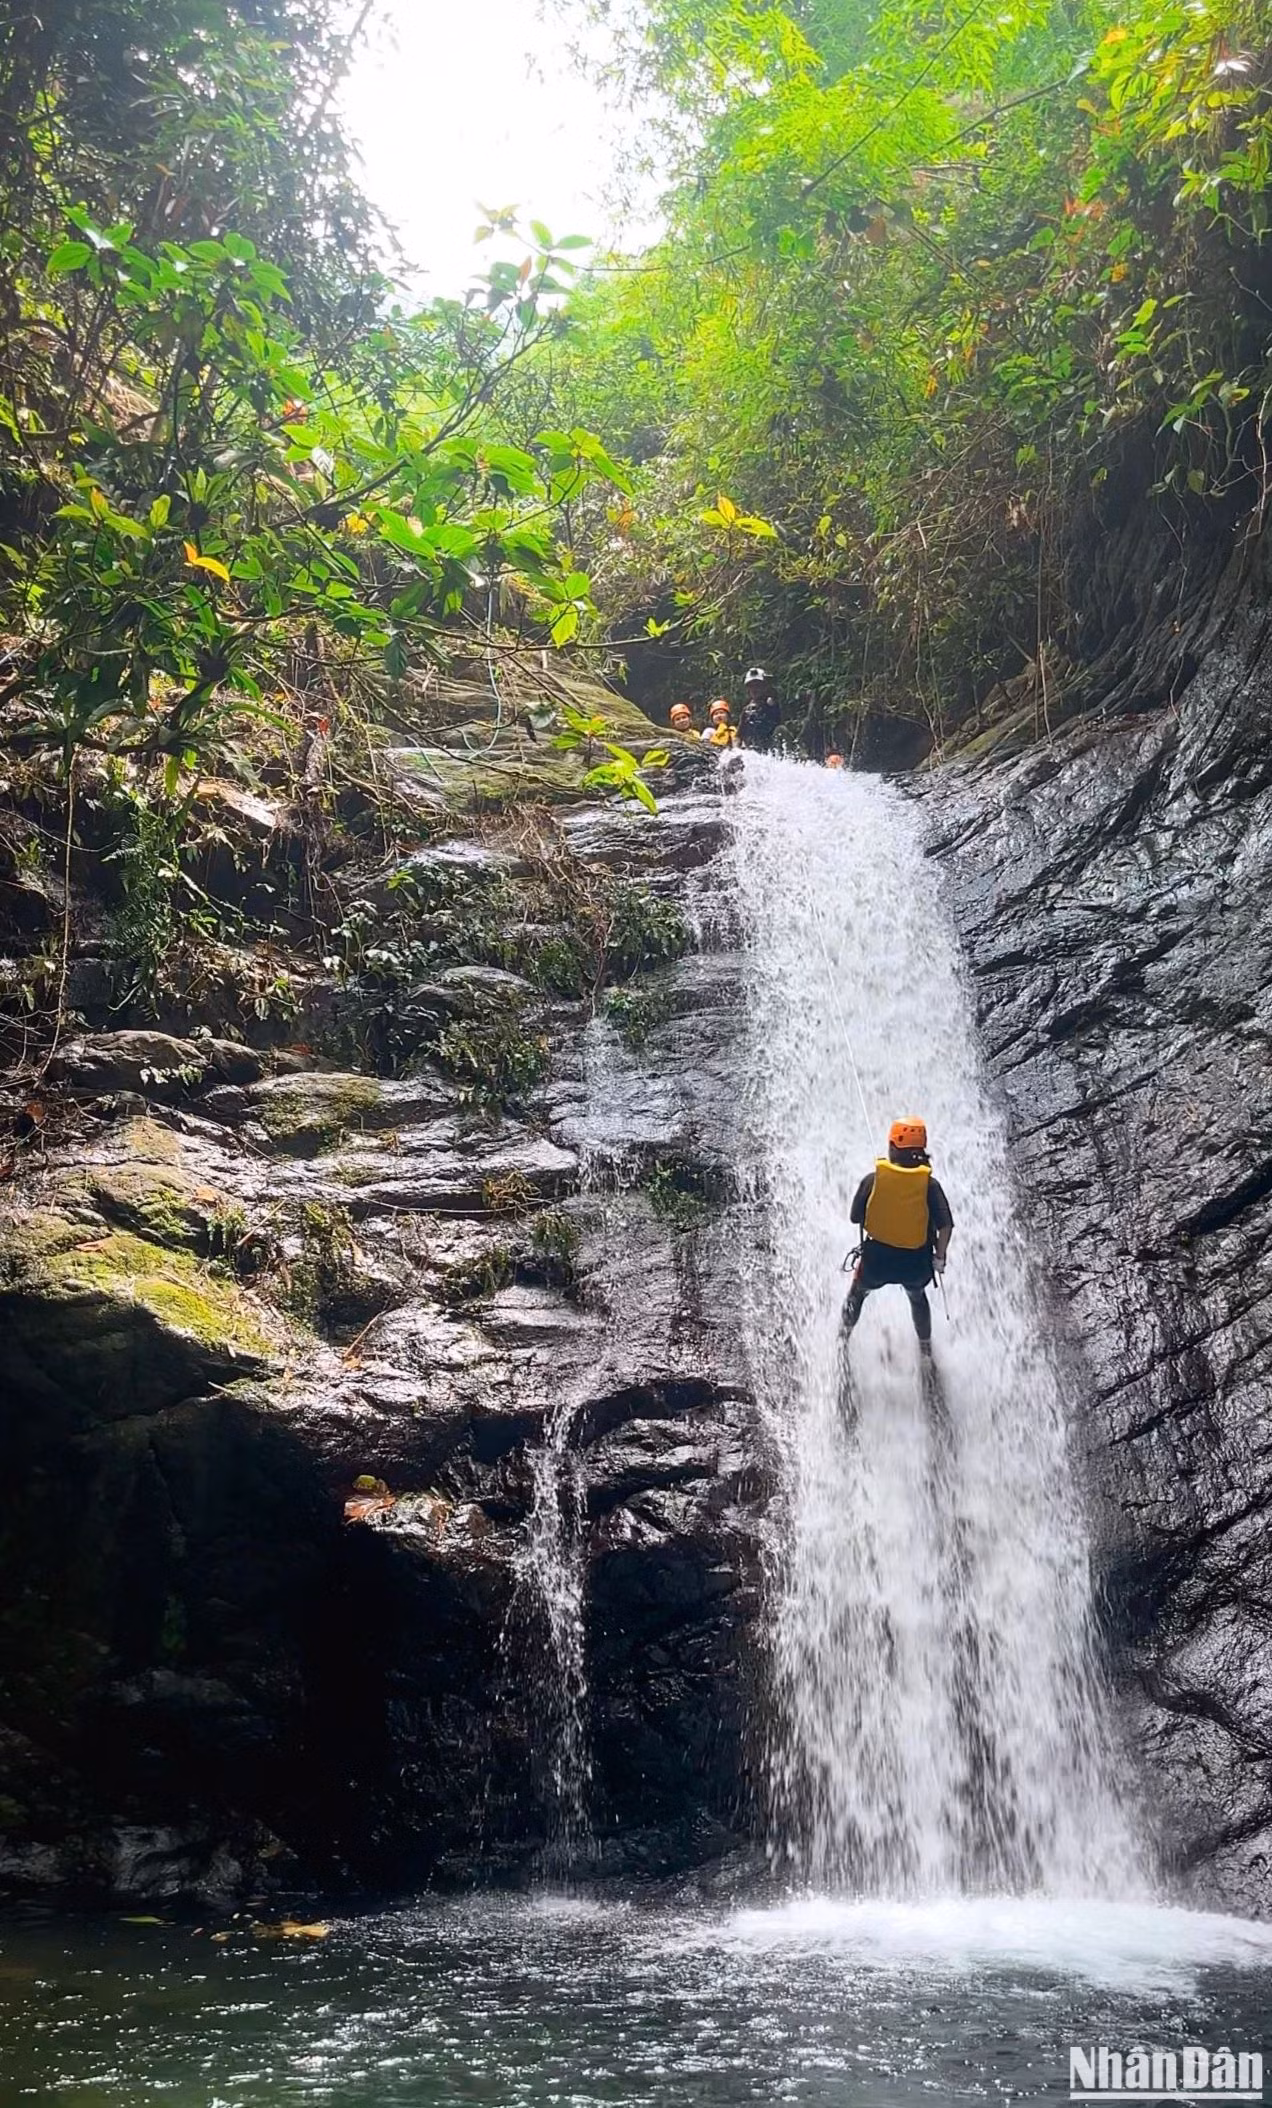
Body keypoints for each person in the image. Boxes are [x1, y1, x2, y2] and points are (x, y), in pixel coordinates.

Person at [841, 1118, 954, 1353]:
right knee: (917, 1296)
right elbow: (946, 1226)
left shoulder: (872, 1180)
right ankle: (925, 1350)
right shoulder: (930, 1185)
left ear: (893, 1148)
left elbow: (854, 1217)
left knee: (858, 1293)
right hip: (916, 1265)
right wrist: (940, 1258)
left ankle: (842, 1340)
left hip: (876, 1263)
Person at [738, 666, 781, 752]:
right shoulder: (746, 710)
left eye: (758, 685)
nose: (754, 689)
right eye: (751, 686)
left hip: (771, 748)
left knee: (781, 729)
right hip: (753, 750)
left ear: (764, 686)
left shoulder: (772, 703)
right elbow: (739, 735)